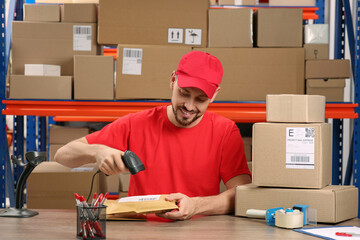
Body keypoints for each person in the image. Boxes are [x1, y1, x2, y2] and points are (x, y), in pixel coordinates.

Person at [55, 51, 251, 220]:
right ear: (173, 80)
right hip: (142, 232)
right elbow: (62, 156)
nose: (190, 106)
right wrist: (97, 151)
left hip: (199, 231)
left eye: (201, 99)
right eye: (183, 93)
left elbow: (242, 195)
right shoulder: (136, 124)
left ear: (215, 95)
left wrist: (196, 205)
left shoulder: (225, 131)